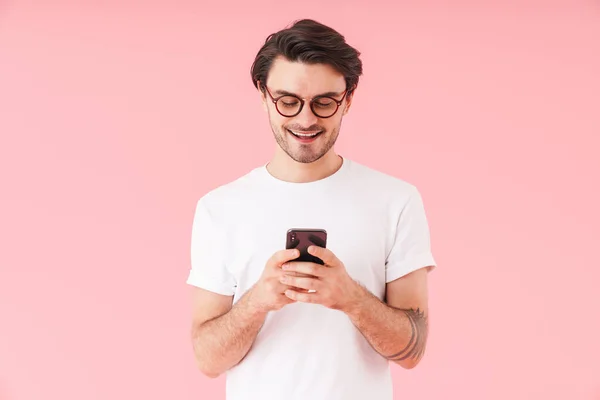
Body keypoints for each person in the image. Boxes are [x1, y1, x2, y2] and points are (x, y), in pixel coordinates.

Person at [187, 18, 437, 400]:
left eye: (324, 102)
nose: (306, 120)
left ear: (348, 99)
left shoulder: (396, 200)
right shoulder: (219, 209)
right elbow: (207, 360)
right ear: (263, 94)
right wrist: (258, 300)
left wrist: (349, 297)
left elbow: (412, 352)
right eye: (288, 102)